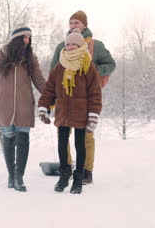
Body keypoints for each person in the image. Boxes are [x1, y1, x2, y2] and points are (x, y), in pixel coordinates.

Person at [49, 10, 116, 184]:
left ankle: (86, 172)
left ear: (84, 25)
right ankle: (68, 169)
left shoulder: (96, 45)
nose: (73, 26)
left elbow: (111, 64)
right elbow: (53, 72)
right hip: (65, 98)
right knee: (63, 134)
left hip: (86, 99)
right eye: (71, 23)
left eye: (77, 23)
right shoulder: (61, 47)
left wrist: (91, 72)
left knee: (86, 136)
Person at [38, 30, 102, 194]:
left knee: (80, 145)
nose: (70, 47)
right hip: (63, 112)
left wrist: (93, 115)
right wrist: (44, 107)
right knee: (61, 144)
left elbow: (95, 93)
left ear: (81, 46)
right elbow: (49, 90)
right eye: (67, 44)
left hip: (81, 112)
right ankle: (64, 174)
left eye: (74, 44)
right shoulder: (60, 66)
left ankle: (78, 177)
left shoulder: (88, 66)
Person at [0, 24, 46, 192]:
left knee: (23, 140)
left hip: (24, 105)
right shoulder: (0, 56)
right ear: (16, 39)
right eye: (24, 37)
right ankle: (11, 175)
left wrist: (51, 95)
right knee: (9, 140)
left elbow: (38, 79)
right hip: (4, 106)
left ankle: (19, 177)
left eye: (29, 38)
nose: (27, 41)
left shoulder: (30, 57)